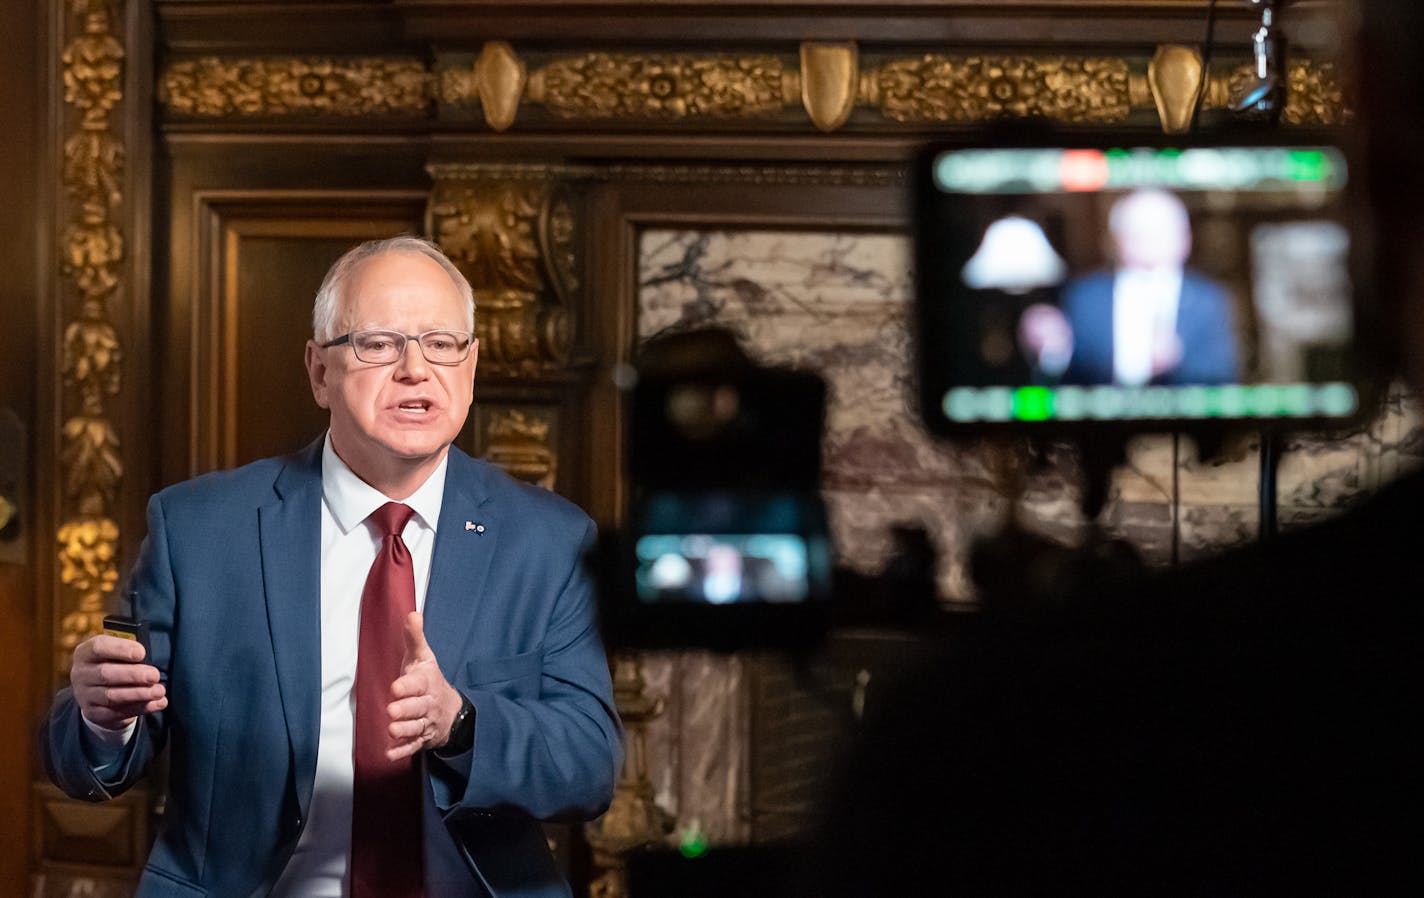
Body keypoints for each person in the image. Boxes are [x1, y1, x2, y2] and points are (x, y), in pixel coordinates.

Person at [811, 2, 1423, 893]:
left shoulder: (1008, 743)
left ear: (1368, 152)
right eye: (1134, 232)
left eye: (1161, 233)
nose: (1147, 244)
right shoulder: (1084, 305)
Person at [42, 236, 623, 898]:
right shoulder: (199, 531)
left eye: (442, 343)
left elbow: (589, 767)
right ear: (320, 372)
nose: (415, 369)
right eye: (378, 344)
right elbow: (88, 753)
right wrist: (103, 721)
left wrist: (461, 724)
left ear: (471, 367)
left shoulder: (547, 541)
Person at [1020, 188, 1240, 386]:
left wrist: (1175, 362)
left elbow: (1223, 378)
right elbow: (1066, 378)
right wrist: (1050, 352)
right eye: (1139, 232)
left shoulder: (1210, 300)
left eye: (1159, 232)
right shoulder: (1084, 296)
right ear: (1117, 240)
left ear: (1185, 239)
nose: (1149, 242)